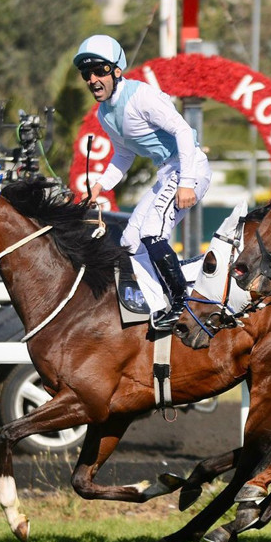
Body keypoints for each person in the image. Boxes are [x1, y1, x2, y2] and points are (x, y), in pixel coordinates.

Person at [74, 34, 212, 331]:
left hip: (188, 168)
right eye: (87, 74)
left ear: (117, 70)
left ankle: (183, 303)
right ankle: (160, 308)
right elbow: (123, 154)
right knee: (129, 243)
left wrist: (186, 182)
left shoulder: (141, 96)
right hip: (166, 174)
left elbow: (184, 132)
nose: (93, 79)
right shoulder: (104, 113)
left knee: (152, 233)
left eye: (100, 71)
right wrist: (99, 187)